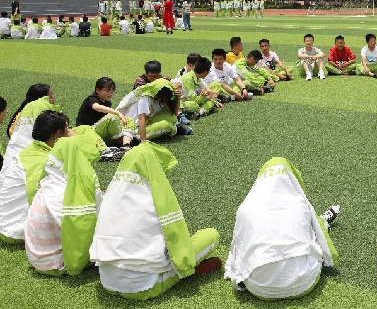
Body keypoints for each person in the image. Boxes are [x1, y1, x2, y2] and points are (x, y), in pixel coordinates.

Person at [90, 142, 221, 300]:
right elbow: (175, 237)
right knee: (211, 235)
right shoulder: (157, 194)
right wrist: (185, 266)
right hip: (142, 287)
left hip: (107, 282)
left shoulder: (111, 192)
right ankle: (187, 272)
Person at [224, 157, 340, 300]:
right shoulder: (299, 203)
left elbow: (238, 246)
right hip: (302, 284)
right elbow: (326, 245)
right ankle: (323, 221)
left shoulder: (245, 208)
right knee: (313, 226)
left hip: (259, 289)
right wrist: (329, 258)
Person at [24, 133, 103, 276]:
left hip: (36, 258)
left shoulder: (48, 182)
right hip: (55, 262)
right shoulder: (66, 194)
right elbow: (86, 225)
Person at [0, 111, 72, 244]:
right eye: (67, 129)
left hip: (9, 225)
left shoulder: (33, 151)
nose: (70, 132)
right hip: (17, 231)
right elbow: (36, 194)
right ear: (57, 133)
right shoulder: (41, 159)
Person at [116, 79, 188, 141]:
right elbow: (141, 118)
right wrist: (143, 141)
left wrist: (178, 98)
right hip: (133, 128)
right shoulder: (145, 97)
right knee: (165, 125)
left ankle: (175, 128)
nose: (161, 99)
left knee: (173, 118)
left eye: (164, 97)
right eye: (160, 96)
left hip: (146, 121)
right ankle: (136, 138)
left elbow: (175, 113)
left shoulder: (162, 97)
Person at [76, 77, 135, 150]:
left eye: (112, 91)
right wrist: (117, 112)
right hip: (88, 134)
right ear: (97, 90)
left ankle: (126, 145)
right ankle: (119, 142)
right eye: (107, 91)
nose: (110, 94)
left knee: (128, 120)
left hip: (101, 135)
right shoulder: (91, 99)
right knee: (111, 117)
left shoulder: (107, 102)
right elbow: (96, 107)